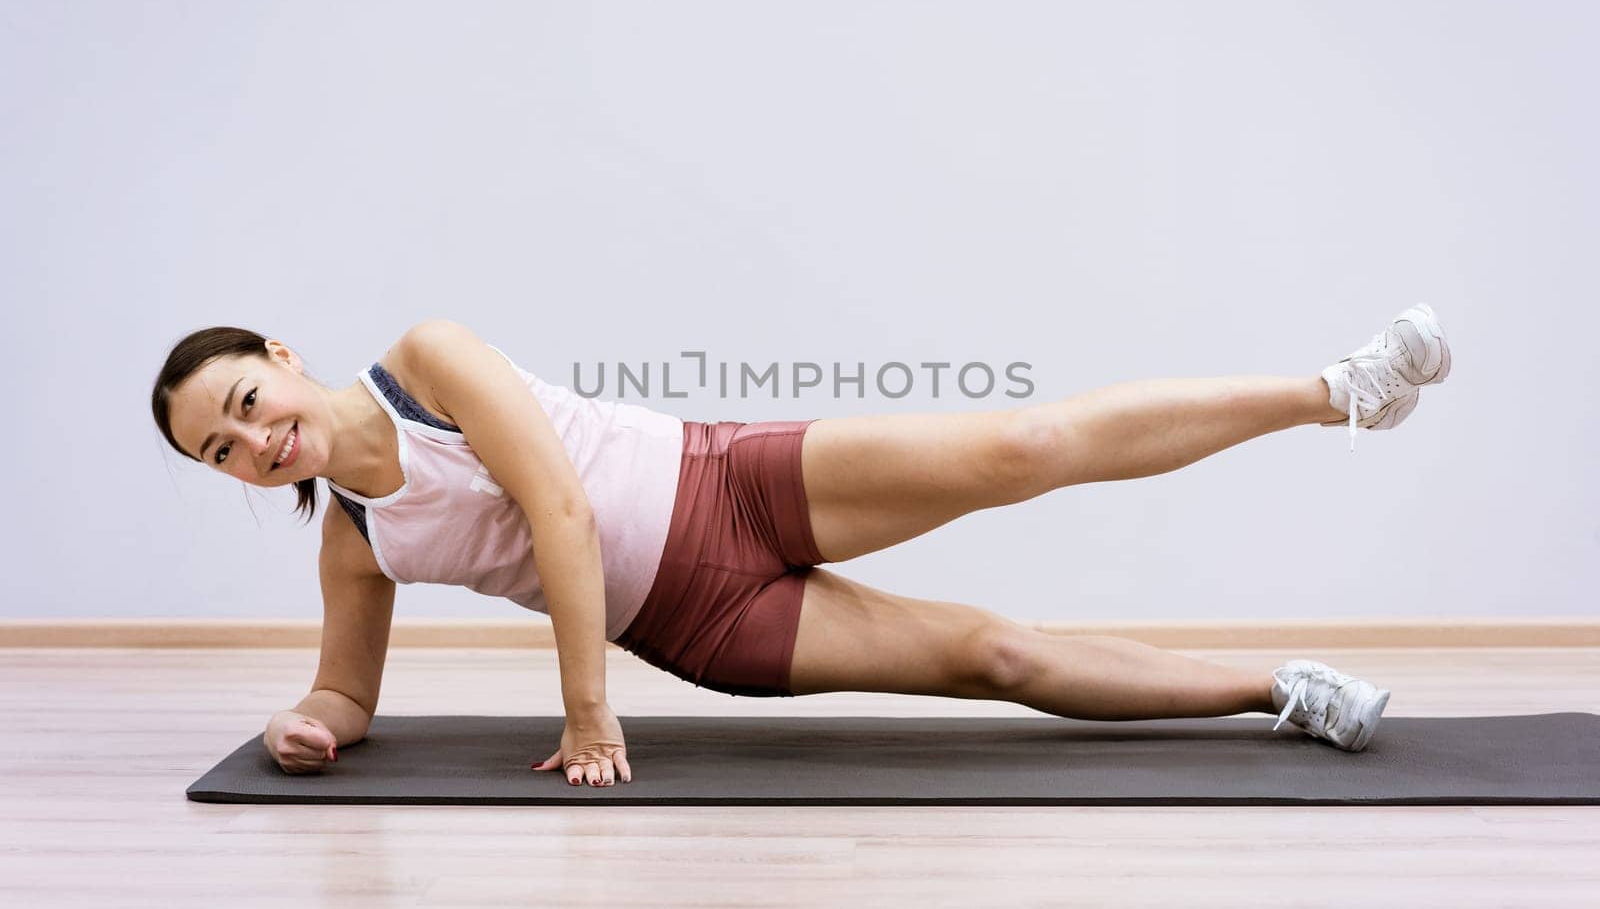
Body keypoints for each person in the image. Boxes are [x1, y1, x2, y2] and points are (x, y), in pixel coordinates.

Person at [151, 303, 1451, 787]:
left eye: (246, 409)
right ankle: (1283, 691)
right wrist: (307, 725)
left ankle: (1337, 391)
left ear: (282, 358)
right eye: (222, 453)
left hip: (730, 481)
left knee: (1016, 450)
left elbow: (554, 506)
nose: (255, 447)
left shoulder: (423, 363)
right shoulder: (358, 546)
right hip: (701, 626)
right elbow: (347, 691)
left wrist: (588, 716)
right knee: (993, 655)